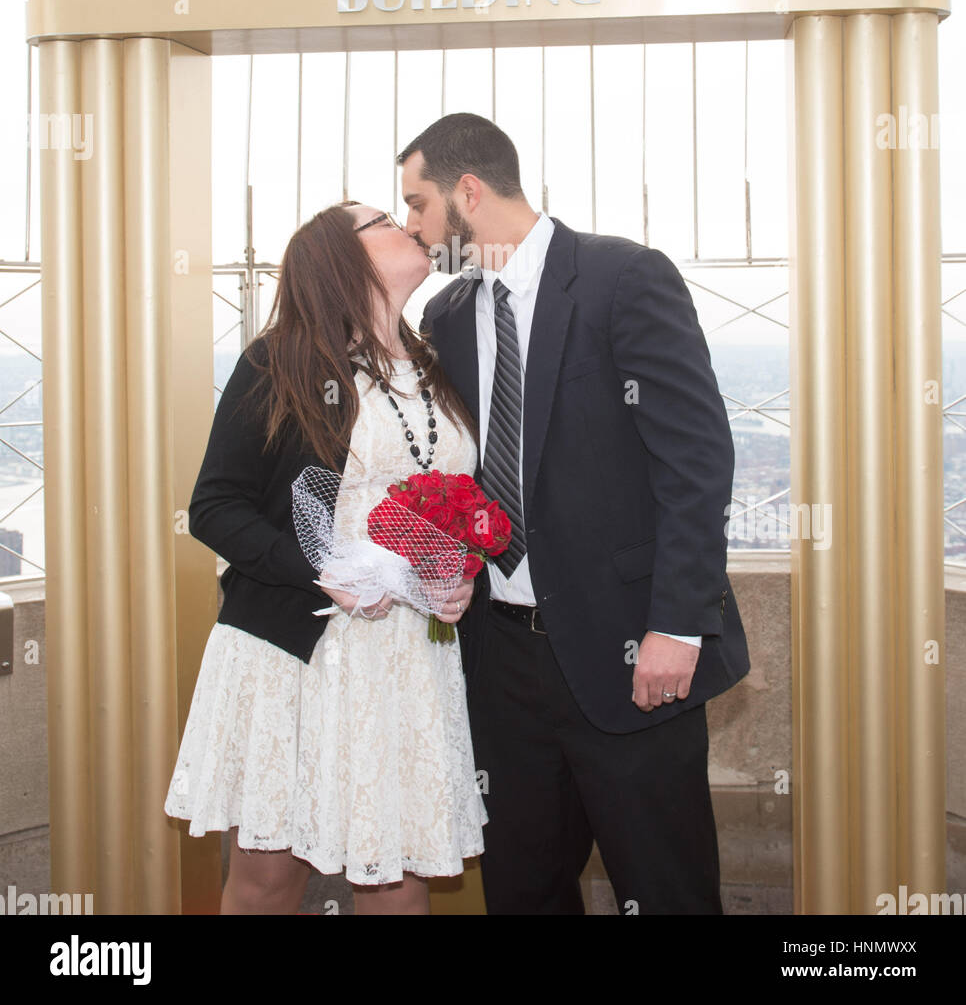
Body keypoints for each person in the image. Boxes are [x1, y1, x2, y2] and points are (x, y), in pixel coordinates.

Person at [397, 113, 750, 916]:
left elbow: (696, 461)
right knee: (524, 894)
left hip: (634, 652)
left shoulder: (623, 276)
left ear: (470, 192)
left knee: (667, 893)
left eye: (419, 204)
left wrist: (678, 625)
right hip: (502, 667)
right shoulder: (447, 316)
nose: (415, 227)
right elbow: (456, 474)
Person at [164, 201, 485, 915]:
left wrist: (457, 567)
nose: (408, 224)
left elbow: (451, 497)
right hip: (296, 652)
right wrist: (322, 571)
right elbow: (215, 506)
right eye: (382, 219)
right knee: (271, 878)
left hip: (408, 660)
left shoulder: (435, 362)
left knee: (397, 875)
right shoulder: (280, 360)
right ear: (343, 256)